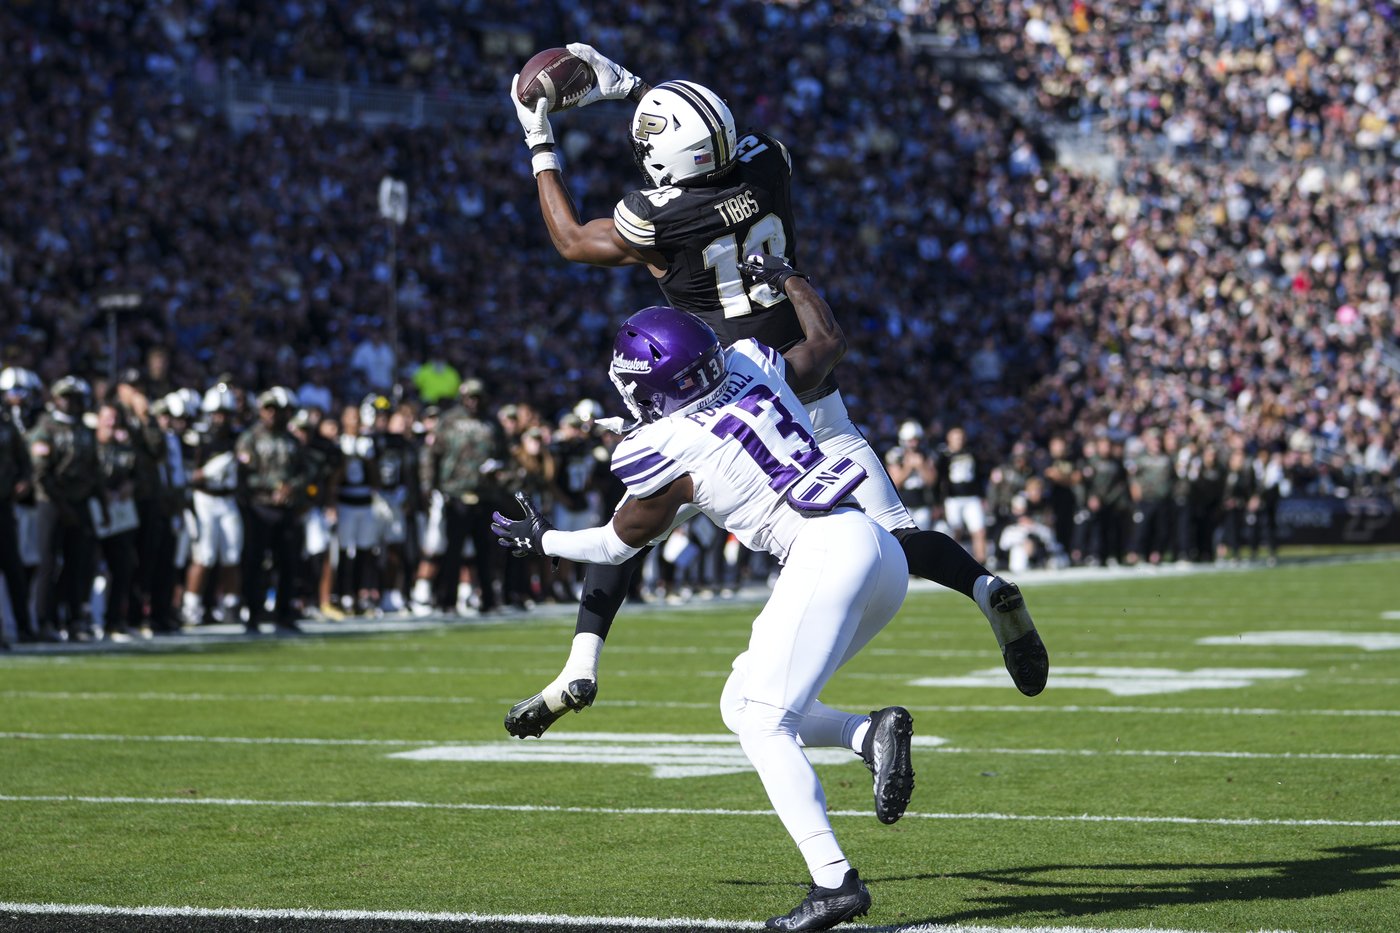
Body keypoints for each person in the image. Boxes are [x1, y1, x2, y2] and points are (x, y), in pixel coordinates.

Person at [511, 46, 1047, 705]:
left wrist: (538, 136)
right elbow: (718, 136)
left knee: (632, 521)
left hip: (724, 397)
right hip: (808, 377)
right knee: (896, 536)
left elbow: (571, 239)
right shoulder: (767, 162)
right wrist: (636, 88)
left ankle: (581, 664)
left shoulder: (658, 216)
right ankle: (985, 587)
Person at [492, 273, 910, 931]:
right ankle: (866, 732)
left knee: (763, 722)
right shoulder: (751, 364)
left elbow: (613, 544)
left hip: (825, 554)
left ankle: (834, 882)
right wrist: (790, 279)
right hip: (879, 551)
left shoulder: (666, 447)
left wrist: (541, 538)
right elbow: (826, 342)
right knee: (742, 703)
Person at [28, 377, 101, 641]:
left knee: (79, 563)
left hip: (79, 502)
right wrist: (62, 505)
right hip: (51, 502)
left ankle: (74, 619)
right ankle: (44, 620)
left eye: (76, 398)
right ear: (56, 399)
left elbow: (94, 469)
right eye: (66, 397)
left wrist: (96, 502)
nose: (71, 403)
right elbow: (41, 473)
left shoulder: (85, 430)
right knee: (48, 563)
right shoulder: (45, 428)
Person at [236, 387, 307, 634]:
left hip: (286, 509)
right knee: (255, 563)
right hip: (259, 508)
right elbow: (244, 474)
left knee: (287, 563)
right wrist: (273, 486)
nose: (273, 414)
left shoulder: (293, 441)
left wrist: (291, 487)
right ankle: (253, 613)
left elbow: (305, 472)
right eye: (269, 409)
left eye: (278, 410)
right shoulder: (250, 438)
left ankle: (284, 613)